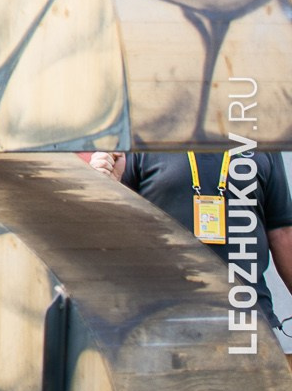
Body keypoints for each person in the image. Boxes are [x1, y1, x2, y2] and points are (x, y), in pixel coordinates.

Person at [91, 147, 292, 370]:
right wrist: (107, 187)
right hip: (164, 327)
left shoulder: (258, 139)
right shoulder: (144, 140)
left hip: (248, 327)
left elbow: (282, 232)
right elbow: (111, 241)